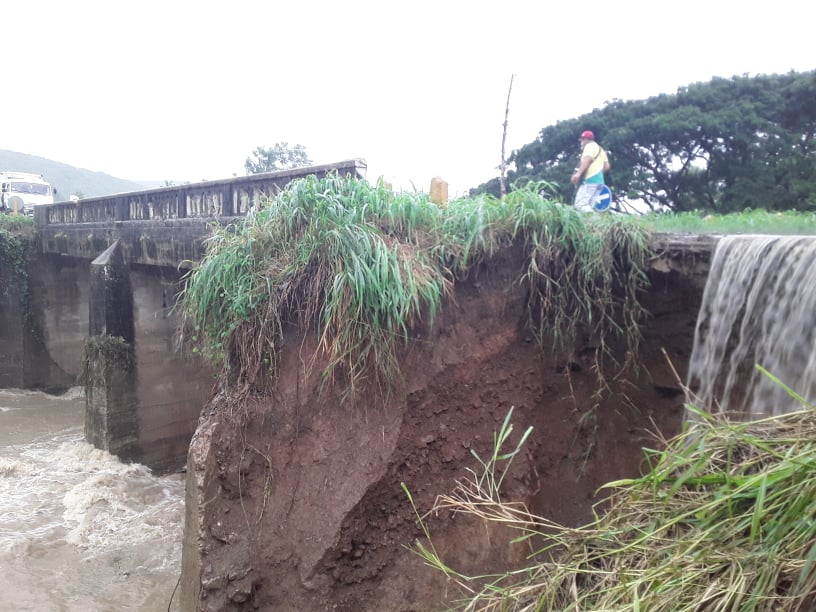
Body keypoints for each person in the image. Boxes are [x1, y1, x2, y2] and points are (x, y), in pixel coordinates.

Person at [570, 130, 610, 212]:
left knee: (580, 205)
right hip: (600, 182)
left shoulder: (589, 146)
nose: (581, 142)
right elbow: (607, 166)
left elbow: (588, 159)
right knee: (588, 206)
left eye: (582, 140)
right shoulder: (600, 149)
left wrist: (578, 174)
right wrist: (598, 173)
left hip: (590, 180)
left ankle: (595, 218)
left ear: (585, 139)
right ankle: (591, 223)